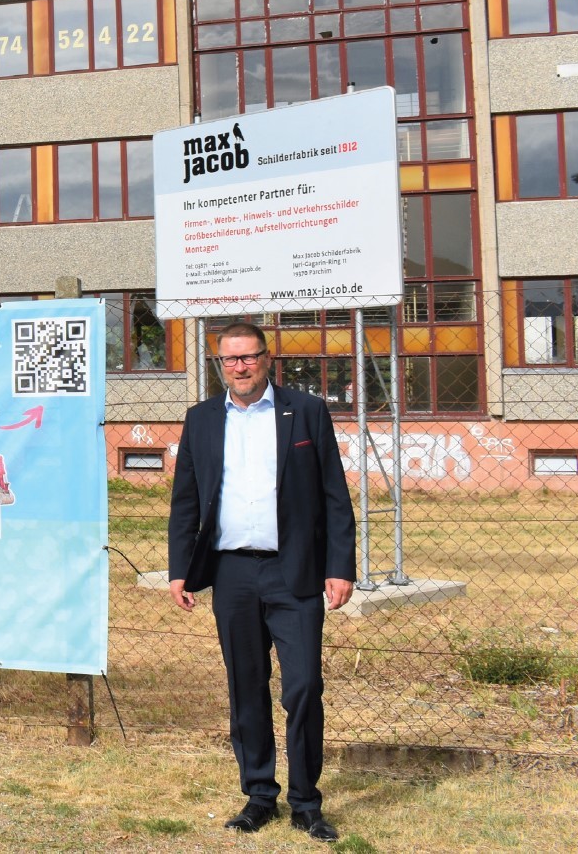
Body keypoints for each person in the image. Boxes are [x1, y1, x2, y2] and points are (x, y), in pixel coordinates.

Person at [167, 322, 355, 843]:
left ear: (267, 359)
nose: (240, 367)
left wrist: (339, 567)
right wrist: (180, 568)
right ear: (219, 365)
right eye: (230, 360)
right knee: (245, 686)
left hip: (293, 571)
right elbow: (186, 500)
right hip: (231, 574)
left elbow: (335, 498)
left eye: (249, 357)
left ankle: (306, 802)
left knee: (303, 686)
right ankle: (258, 796)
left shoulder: (306, 412)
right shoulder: (202, 420)